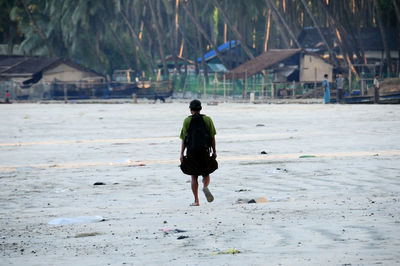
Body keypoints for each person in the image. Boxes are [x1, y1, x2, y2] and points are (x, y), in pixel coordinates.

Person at [180, 99, 217, 206]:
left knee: (193, 176)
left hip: (191, 151)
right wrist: (214, 151)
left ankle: (196, 201)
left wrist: (182, 154)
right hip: (204, 150)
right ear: (200, 109)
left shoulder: (187, 120)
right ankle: (205, 187)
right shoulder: (207, 119)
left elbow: (183, 139)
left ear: (191, 109)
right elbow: (212, 137)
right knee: (206, 173)